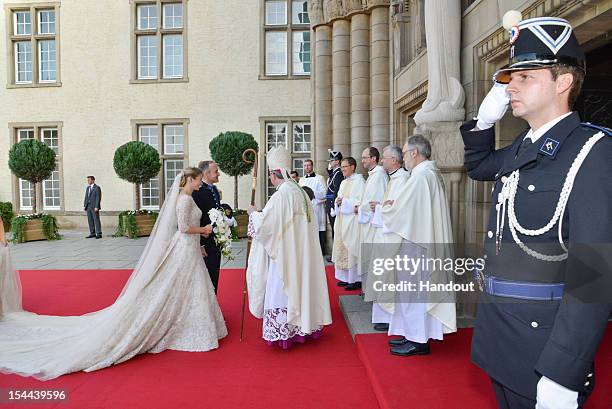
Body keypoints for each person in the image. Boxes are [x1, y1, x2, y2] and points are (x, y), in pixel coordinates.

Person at [461, 12, 612, 409]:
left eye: (525, 76)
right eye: (511, 77)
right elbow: (478, 168)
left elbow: (594, 273)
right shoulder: (524, 147)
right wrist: (483, 121)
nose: (511, 86)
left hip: (542, 343)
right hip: (501, 335)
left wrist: (565, 369)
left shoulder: (593, 152)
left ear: (563, 82)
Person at [0, 168, 227, 380]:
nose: (199, 183)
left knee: (188, 286)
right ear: (190, 180)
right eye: (197, 179)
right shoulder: (185, 200)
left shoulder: (187, 198)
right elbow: (184, 227)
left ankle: (187, 320)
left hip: (190, 248)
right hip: (185, 247)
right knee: (177, 285)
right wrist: (205, 230)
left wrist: (200, 244)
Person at [246, 146, 332, 349]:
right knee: (301, 286)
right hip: (303, 254)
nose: (270, 179)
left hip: (285, 256)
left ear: (274, 174)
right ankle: (303, 327)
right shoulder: (300, 191)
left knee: (282, 289)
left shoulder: (281, 195)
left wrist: (252, 214)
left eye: (270, 175)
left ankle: (286, 332)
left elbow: (266, 225)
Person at [383, 135, 457, 357]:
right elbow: (413, 208)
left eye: (404, 153)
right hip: (421, 240)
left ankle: (418, 340)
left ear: (414, 152)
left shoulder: (420, 176)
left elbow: (402, 212)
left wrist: (386, 208)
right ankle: (411, 333)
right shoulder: (428, 173)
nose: (403, 158)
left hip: (417, 245)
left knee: (415, 292)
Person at [363, 145, 410, 332]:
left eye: (385, 158)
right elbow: (390, 204)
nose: (382, 161)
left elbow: (401, 209)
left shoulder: (404, 179)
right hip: (384, 233)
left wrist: (381, 207)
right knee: (382, 274)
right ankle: (383, 314)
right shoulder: (394, 178)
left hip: (394, 235)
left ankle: (391, 316)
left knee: (390, 276)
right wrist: (381, 205)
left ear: (394, 160)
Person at [331, 157, 365, 290]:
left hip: (352, 221)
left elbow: (359, 201)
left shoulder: (360, 182)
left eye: (345, 166)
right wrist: (338, 202)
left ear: (353, 167)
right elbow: (339, 197)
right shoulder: (344, 182)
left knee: (351, 249)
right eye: (342, 167)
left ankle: (355, 279)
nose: (343, 169)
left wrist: (343, 202)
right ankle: (345, 277)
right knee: (341, 248)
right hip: (342, 220)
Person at [356, 147, 388, 283]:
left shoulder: (379, 175)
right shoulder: (373, 174)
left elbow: (376, 202)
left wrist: (360, 208)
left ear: (373, 158)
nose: (362, 160)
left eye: (364, 157)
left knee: (372, 255)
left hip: (373, 224)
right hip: (367, 222)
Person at [192, 161, 223, 294]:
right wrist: (201, 244)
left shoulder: (213, 189)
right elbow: (195, 219)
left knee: (214, 273)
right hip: (205, 241)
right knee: (207, 276)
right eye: (216, 171)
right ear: (206, 173)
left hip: (215, 239)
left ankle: (213, 307)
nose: (218, 174)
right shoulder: (198, 192)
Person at [299, 159, 327, 254]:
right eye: (305, 165)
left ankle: (320, 252)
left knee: (318, 229)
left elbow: (324, 193)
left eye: (308, 165)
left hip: (317, 208)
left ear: (312, 166)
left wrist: (312, 193)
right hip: (305, 208)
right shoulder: (301, 180)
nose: (307, 167)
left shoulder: (320, 178)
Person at [325, 150, 344, 240]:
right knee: (333, 228)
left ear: (337, 161)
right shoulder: (334, 173)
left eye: (332, 161)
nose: (330, 163)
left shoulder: (339, 173)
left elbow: (337, 190)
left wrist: (333, 205)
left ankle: (335, 252)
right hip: (329, 202)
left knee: (335, 229)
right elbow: (330, 174)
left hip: (333, 202)